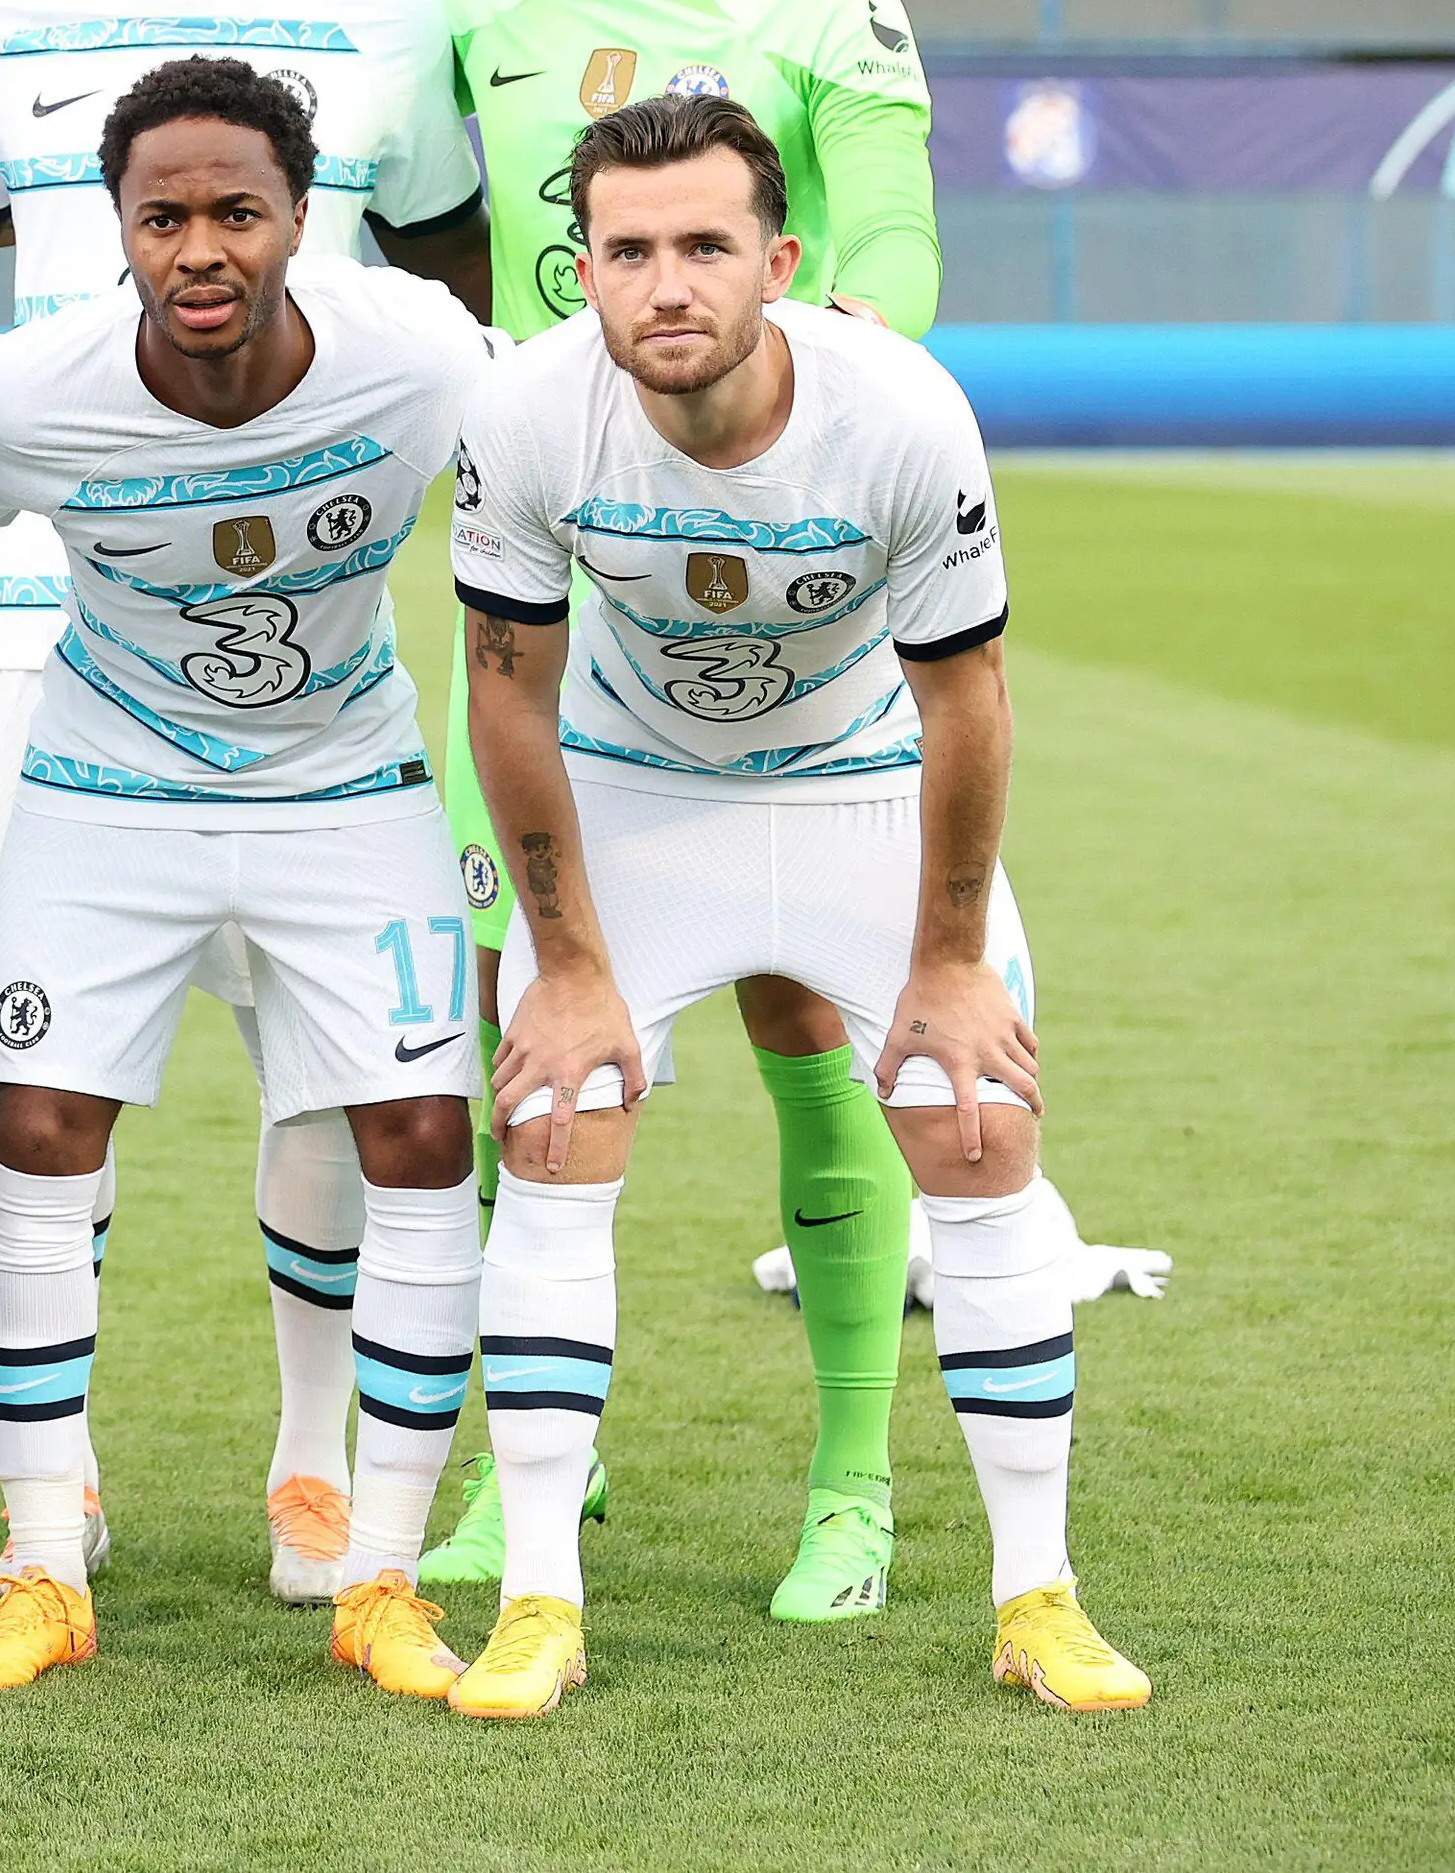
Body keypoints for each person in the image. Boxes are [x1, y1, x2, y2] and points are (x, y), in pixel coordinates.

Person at [0, 0, 486, 1605]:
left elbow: (456, 278)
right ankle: (60, 1506)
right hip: (59, 630)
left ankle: (316, 1468)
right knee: (56, 1082)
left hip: (316, 627)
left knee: (336, 1084)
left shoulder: (385, 7)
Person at [444, 91, 1145, 1720]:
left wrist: (951, 958)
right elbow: (506, 696)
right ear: (582, 270)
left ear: (781, 261)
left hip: (859, 781)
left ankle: (1037, 1597)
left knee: (976, 1124)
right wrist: (565, 964)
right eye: (628, 251)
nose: (666, 284)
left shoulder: (899, 413)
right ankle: (539, 1603)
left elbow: (968, 703)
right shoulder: (528, 411)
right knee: (550, 1123)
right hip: (634, 789)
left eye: (704, 245)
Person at [422, 0, 944, 1618]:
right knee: (530, 1028)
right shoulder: (477, 4)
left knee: (815, 1018)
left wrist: (792, 422)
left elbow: (890, 250)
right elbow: (341, 178)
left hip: (777, 588)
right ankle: (528, 1476)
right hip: (553, 572)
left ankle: (853, 1485)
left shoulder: (826, 2)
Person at [0, 56, 493, 1702]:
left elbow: (569, 453)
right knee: (39, 1126)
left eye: (237, 212)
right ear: (115, 228)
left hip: (344, 782)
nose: (199, 250)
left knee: (421, 1133)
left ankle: (380, 1574)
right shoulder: (34, 394)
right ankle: (44, 1560)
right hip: (110, 789)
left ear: (304, 217)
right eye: (161, 217)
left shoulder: (418, 355)